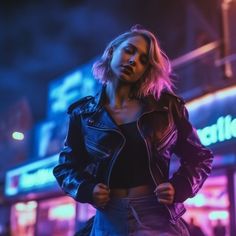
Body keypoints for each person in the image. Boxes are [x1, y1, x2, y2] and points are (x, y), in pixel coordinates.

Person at [53, 25, 213, 235]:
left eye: (143, 60)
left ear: (147, 70)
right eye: (129, 50)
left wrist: (180, 186)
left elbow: (199, 157)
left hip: (156, 216)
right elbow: (66, 168)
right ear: (112, 51)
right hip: (108, 217)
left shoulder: (167, 108)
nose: (133, 60)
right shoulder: (83, 114)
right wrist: (87, 189)